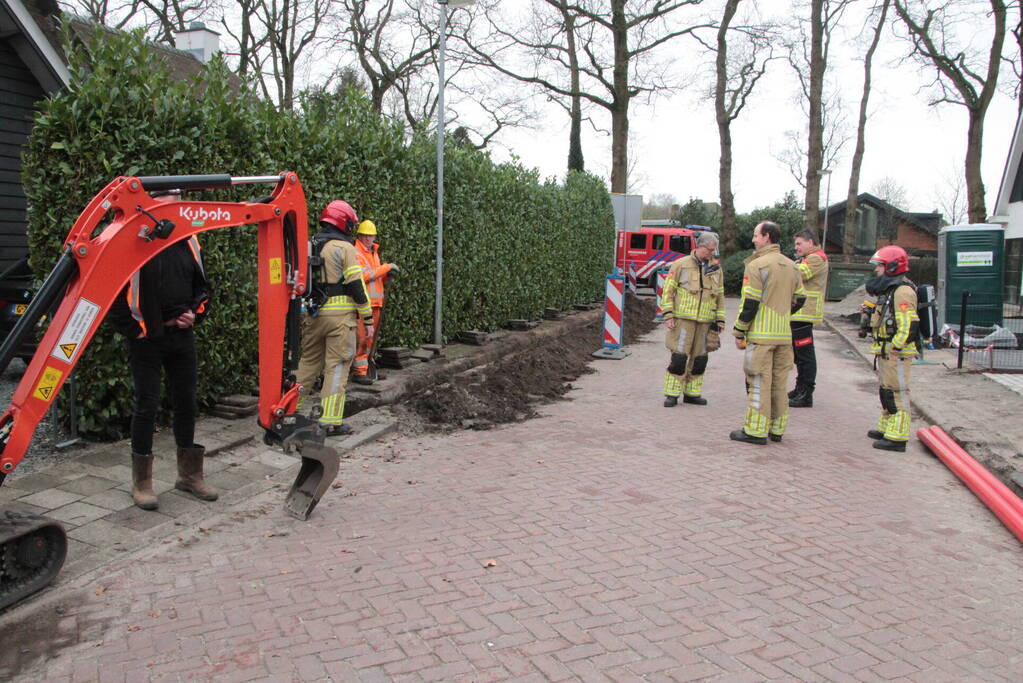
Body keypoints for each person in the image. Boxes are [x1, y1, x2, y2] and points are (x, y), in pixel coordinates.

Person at [110, 236, 216, 510]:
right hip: (146, 341)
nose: (177, 204)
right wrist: (143, 330)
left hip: (182, 335)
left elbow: (203, 288)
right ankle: (141, 483)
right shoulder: (134, 242)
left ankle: (189, 476)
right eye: (170, 197)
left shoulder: (189, 241)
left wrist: (194, 313)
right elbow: (115, 298)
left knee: (186, 402)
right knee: (147, 405)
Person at [296, 200, 374, 436]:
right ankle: (329, 422)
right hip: (339, 320)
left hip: (312, 315)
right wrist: (367, 318)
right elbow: (355, 285)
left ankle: (289, 412)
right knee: (337, 367)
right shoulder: (344, 248)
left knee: (307, 364)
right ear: (345, 222)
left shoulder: (309, 244)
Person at [730, 221, 806, 445]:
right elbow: (801, 298)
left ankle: (755, 430)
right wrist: (783, 313)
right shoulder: (793, 266)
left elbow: (750, 303)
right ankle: (777, 429)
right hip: (784, 335)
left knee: (758, 382)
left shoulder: (757, 265)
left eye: (756, 235)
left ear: (767, 236)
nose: (753, 239)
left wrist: (739, 330)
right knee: (779, 384)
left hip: (762, 336)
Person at [659, 231, 725, 407]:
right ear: (700, 246)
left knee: (700, 359)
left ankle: (692, 393)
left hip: (705, 322)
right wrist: (668, 314)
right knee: (679, 357)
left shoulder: (716, 269)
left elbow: (720, 295)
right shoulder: (680, 265)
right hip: (683, 320)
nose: (712, 253)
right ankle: (672, 394)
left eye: (714, 250)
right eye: (710, 250)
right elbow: (668, 290)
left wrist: (720, 320)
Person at [864, 245, 918, 452]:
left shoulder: (903, 291)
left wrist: (896, 347)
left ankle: (898, 437)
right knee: (886, 391)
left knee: (898, 391)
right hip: (887, 350)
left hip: (897, 353)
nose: (876, 271)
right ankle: (887, 426)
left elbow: (908, 324)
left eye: (880, 266)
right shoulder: (892, 290)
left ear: (892, 267)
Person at [351, 219, 398, 385]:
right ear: (361, 236)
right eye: (366, 236)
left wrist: (386, 276)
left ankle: (368, 368)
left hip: (376, 303)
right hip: (364, 305)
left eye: (371, 236)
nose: (369, 239)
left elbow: (375, 277)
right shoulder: (356, 252)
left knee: (371, 339)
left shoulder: (373, 252)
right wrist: (386, 268)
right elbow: (364, 276)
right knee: (362, 338)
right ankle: (359, 372)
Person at [788, 229, 830, 408]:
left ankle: (806, 393)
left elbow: (797, 275)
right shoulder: (808, 257)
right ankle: (800, 388)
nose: (796, 247)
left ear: (810, 242)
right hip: (799, 312)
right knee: (799, 354)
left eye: (799, 243)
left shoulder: (816, 258)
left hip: (804, 312)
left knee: (805, 354)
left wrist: (783, 265)